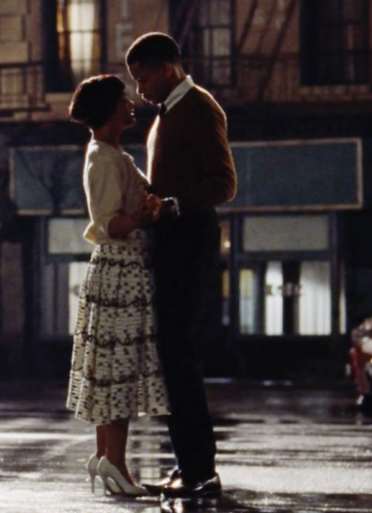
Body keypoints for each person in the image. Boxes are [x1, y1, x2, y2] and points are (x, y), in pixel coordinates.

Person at [125, 32, 237, 498]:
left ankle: (199, 472)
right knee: (172, 357)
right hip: (173, 243)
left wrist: (172, 204)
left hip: (189, 241)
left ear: (167, 69)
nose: (140, 90)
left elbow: (224, 184)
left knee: (180, 355)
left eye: (143, 79)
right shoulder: (168, 112)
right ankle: (189, 466)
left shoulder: (199, 107)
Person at [65, 74, 169, 498]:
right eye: (124, 99)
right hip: (121, 271)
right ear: (109, 109)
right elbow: (108, 223)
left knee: (110, 368)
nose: (131, 104)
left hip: (120, 271)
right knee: (119, 370)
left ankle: (106, 456)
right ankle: (116, 463)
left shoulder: (112, 155)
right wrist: (143, 217)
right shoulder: (104, 159)